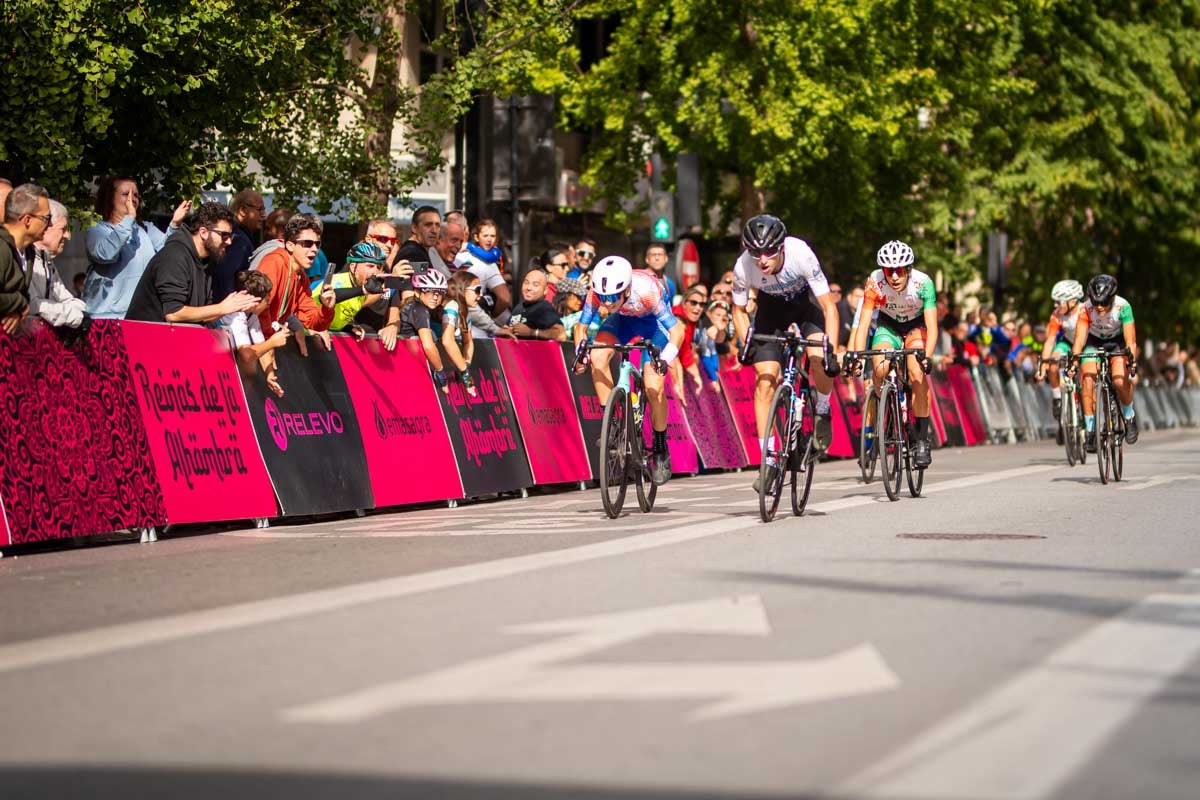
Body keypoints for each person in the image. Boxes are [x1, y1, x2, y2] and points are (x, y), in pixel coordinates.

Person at [729, 215, 840, 491]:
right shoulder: (744, 266)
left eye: (769, 252)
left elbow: (829, 308)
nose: (762, 259)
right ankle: (767, 459)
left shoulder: (801, 253)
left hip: (806, 307)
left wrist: (831, 351)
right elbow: (738, 311)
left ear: (781, 247)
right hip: (771, 313)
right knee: (764, 382)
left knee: (818, 360)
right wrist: (747, 344)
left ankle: (822, 411)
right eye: (756, 252)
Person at [572, 256, 687, 486]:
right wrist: (580, 354)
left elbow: (678, 331)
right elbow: (581, 327)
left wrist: (665, 359)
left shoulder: (647, 291)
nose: (606, 302)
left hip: (655, 326)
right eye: (603, 297)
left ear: (626, 289)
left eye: (612, 297)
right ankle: (612, 425)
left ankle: (661, 448)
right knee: (597, 355)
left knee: (653, 387)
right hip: (623, 321)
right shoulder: (597, 291)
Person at [845, 241, 937, 468]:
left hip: (917, 326)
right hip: (888, 326)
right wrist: (856, 356)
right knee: (880, 368)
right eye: (889, 271)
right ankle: (885, 406)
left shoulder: (923, 283)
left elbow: (932, 326)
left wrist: (928, 355)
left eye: (899, 271)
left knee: (916, 372)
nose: (894, 276)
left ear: (908, 269)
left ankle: (922, 440)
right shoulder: (875, 282)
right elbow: (863, 324)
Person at [125, 202, 257, 324]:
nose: (229, 242)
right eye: (224, 235)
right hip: (142, 342)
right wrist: (222, 308)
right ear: (203, 232)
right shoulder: (174, 256)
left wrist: (233, 307)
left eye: (230, 236)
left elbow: (202, 315)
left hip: (173, 341)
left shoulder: (208, 261)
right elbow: (174, 313)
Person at [83, 176, 191, 318]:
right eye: (125, 194)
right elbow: (105, 255)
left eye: (135, 195)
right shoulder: (97, 229)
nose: (131, 199)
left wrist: (175, 224)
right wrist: (128, 219)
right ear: (109, 198)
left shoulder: (145, 229)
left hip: (139, 315)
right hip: (105, 317)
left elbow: (167, 253)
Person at [1071, 273, 1139, 448]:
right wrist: (1074, 361)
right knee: (1087, 378)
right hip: (1094, 341)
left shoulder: (1123, 307)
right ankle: (1091, 429)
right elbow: (1079, 339)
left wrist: (1131, 360)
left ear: (1112, 298)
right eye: (1096, 302)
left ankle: (1129, 416)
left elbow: (1130, 339)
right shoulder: (1085, 309)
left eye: (1104, 303)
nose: (1099, 307)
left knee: (1118, 378)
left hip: (1117, 342)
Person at [389, 270, 475, 396]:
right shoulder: (420, 310)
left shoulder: (415, 305)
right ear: (418, 291)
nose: (435, 296)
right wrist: (441, 374)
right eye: (429, 291)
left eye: (440, 292)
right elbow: (428, 346)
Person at [254, 214, 336, 336]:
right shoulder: (274, 263)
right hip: (250, 338)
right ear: (290, 245)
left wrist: (327, 308)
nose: (314, 249)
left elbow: (313, 322)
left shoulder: (301, 277)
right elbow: (258, 309)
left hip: (267, 339)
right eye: (307, 243)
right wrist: (270, 337)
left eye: (317, 244)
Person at [218, 269, 292, 397]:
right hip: (218, 364)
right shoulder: (236, 314)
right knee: (250, 366)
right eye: (267, 301)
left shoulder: (252, 315)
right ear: (255, 302)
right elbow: (246, 355)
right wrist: (273, 342)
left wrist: (270, 375)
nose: (268, 305)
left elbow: (261, 346)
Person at [1038, 280, 1087, 443]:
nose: (1055, 305)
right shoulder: (1057, 315)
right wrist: (1043, 365)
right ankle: (1057, 398)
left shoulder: (1084, 311)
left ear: (1072, 300)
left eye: (1058, 301)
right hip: (1067, 342)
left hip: (1086, 344)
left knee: (1087, 376)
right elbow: (1050, 340)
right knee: (1053, 363)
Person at [1, 183, 51, 335]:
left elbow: (24, 294)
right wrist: (20, 303)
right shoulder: (2, 248)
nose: (50, 225)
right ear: (27, 220)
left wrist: (17, 311)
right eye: (46, 218)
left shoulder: (28, 252)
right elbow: (21, 298)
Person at [28, 199, 86, 328]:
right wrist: (76, 316)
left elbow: (65, 298)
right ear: (45, 227)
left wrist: (84, 311)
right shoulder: (25, 257)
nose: (67, 235)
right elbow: (33, 305)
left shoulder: (46, 260)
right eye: (63, 229)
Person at [316, 242, 393, 337]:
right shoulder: (337, 281)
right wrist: (363, 290)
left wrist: (347, 327)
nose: (375, 272)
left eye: (378, 267)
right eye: (370, 266)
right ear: (352, 267)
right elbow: (330, 297)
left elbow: (334, 318)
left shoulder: (361, 287)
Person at [211, 188, 265, 302]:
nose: (263, 215)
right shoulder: (238, 240)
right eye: (260, 209)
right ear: (243, 210)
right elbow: (226, 277)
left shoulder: (239, 236)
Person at [439, 270, 480, 390]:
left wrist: (465, 364)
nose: (480, 295)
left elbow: (469, 342)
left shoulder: (464, 311)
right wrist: (465, 375)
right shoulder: (452, 305)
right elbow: (447, 341)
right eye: (477, 290)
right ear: (462, 289)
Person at [506, 269, 566, 341]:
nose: (529, 288)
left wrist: (532, 332)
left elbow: (561, 335)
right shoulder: (519, 307)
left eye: (535, 285)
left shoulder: (544, 307)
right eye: (526, 283)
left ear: (545, 290)